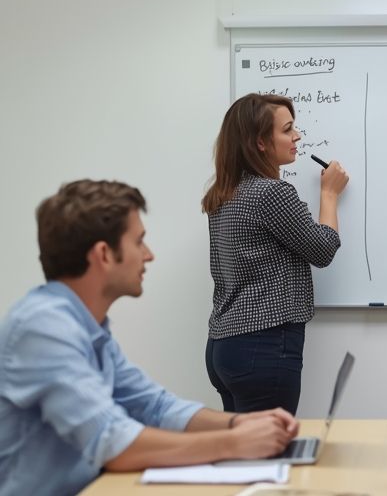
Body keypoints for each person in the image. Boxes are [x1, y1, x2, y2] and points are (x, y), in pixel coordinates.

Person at [0, 180, 299, 496]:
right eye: (139, 242)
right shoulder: (42, 328)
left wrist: (239, 424)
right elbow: (112, 442)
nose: (149, 255)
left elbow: (155, 406)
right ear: (104, 254)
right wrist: (233, 443)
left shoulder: (88, 327)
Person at [202, 93, 349, 415]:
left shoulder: (223, 194)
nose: (297, 136)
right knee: (270, 444)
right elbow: (323, 249)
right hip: (263, 346)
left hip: (224, 347)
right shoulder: (270, 193)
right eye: (287, 129)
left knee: (245, 444)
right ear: (260, 142)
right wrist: (329, 193)